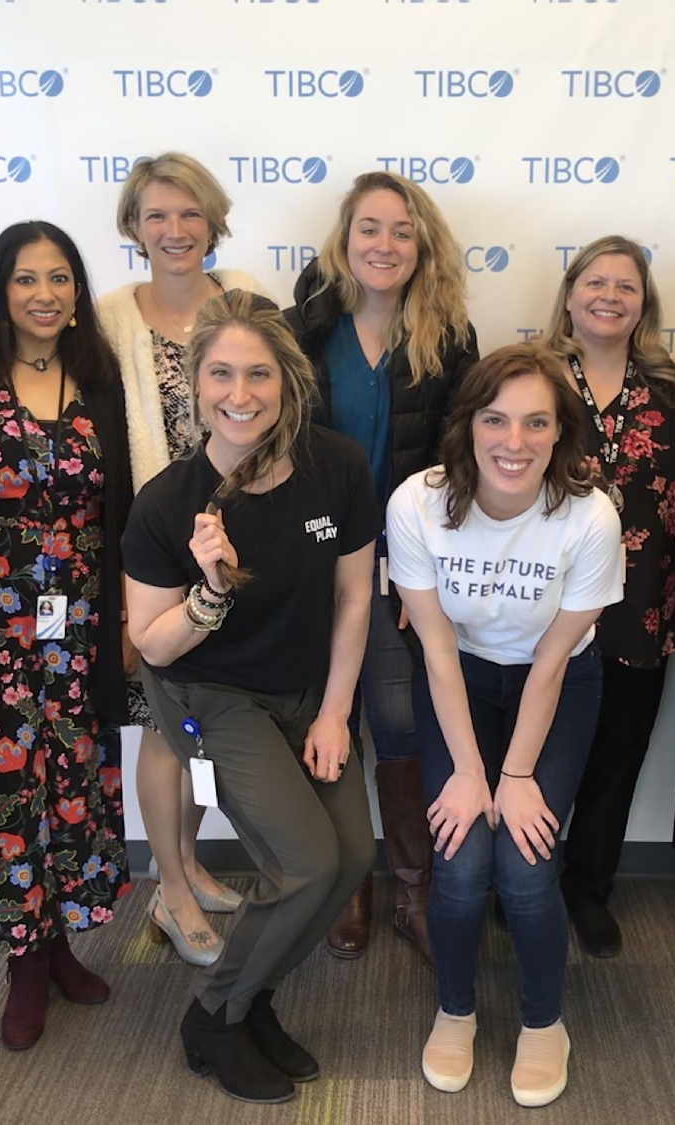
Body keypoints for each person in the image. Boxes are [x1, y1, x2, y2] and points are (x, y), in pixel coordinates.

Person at [125, 290, 379, 1105]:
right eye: (222, 373)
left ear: (288, 380)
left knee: (352, 859)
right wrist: (209, 589)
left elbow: (352, 599)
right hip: (210, 693)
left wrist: (337, 709)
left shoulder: (336, 465)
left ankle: (250, 994)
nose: (241, 392)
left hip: (306, 690)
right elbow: (152, 644)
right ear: (195, 384)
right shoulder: (168, 503)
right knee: (304, 860)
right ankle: (214, 1018)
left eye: (259, 373)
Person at [388, 345, 623, 1108]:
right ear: (470, 423)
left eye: (535, 422)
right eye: (496, 419)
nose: (513, 441)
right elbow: (432, 644)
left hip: (553, 684)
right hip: (457, 675)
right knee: (459, 858)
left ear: (561, 433)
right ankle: (455, 1009)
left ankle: (542, 1022)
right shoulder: (417, 502)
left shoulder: (590, 516)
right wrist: (467, 771)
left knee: (525, 862)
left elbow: (555, 657)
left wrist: (514, 776)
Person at [0, 221, 133, 1051]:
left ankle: (63, 939)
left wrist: (120, 619)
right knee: (4, 796)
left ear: (78, 291)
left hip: (81, 626)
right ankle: (24, 961)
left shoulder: (102, 378)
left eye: (59, 277)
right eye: (24, 278)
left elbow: (121, 508)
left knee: (76, 787)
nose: (44, 293)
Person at [285, 169, 479, 964]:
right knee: (326, 721)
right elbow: (279, 448)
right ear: (344, 238)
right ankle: (348, 880)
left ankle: (413, 883)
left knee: (399, 724)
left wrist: (422, 571)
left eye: (402, 230)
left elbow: (455, 457)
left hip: (403, 567)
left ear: (420, 244)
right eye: (370, 228)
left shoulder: (449, 335)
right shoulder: (299, 329)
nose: (385, 244)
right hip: (314, 561)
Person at [97, 151, 266, 965]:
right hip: (151, 552)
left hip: (234, 551)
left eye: (189, 213)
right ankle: (167, 887)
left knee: (197, 717)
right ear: (134, 226)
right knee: (165, 722)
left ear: (213, 221)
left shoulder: (248, 306)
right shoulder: (103, 319)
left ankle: (191, 862)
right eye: (157, 214)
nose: (174, 230)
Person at [541, 236, 675, 959]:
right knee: (539, 752)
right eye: (594, 281)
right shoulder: (531, 378)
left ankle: (588, 886)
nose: (609, 295)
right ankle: (527, 879)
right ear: (569, 295)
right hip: (544, 603)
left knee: (615, 759)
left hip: (643, 608)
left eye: (625, 285)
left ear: (644, 303)